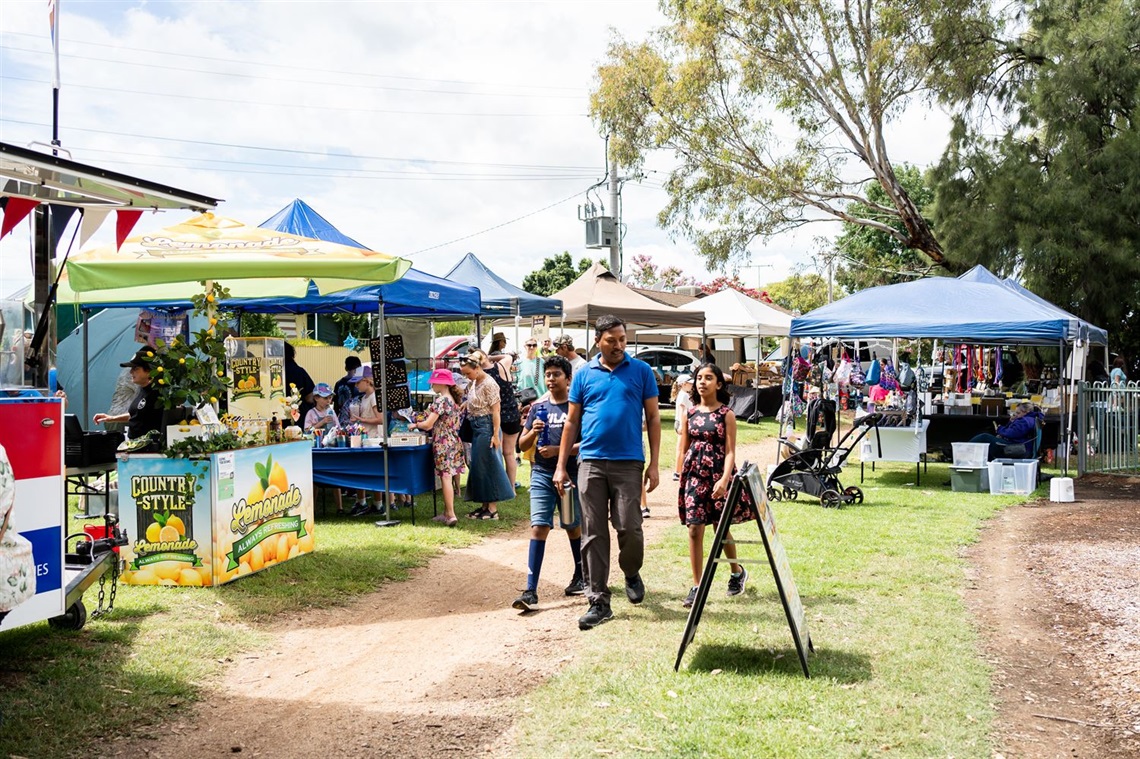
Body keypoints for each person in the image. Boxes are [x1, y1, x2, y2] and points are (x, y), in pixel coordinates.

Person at [555, 315, 661, 631]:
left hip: (629, 461)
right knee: (593, 532)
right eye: (611, 340)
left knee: (629, 525)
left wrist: (655, 463)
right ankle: (598, 601)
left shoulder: (641, 371)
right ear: (598, 340)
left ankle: (630, 570)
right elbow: (572, 422)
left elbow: (654, 418)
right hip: (590, 462)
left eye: (622, 339)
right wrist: (561, 465)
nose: (618, 345)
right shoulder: (584, 374)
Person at [677, 363, 756, 608]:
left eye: (708, 378)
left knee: (719, 529)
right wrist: (680, 475)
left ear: (718, 384)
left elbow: (731, 451)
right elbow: (683, 448)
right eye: (699, 378)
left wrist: (724, 479)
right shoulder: (689, 414)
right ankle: (697, 586)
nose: (702, 382)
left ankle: (736, 572)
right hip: (694, 476)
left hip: (718, 475)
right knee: (694, 528)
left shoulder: (726, 415)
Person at [512, 355, 585, 611]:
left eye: (556, 374)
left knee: (571, 525)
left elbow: (586, 444)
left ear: (568, 378)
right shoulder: (538, 408)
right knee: (538, 527)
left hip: (569, 476)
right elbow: (521, 445)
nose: (551, 379)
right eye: (548, 375)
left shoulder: (576, 408)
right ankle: (531, 590)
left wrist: (558, 452)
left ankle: (580, 575)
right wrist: (533, 431)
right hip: (542, 474)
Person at [458, 352, 515, 519]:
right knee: (479, 466)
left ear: (477, 368)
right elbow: (475, 399)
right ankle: (484, 505)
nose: (467, 376)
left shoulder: (490, 383)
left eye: (468, 373)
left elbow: (496, 410)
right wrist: (465, 404)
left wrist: (495, 435)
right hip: (476, 426)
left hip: (487, 427)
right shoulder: (474, 382)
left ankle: (492, 508)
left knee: (489, 464)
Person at [410, 368, 466, 527]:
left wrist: (415, 424)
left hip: (442, 442)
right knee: (448, 476)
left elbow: (428, 424)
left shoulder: (441, 401)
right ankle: (447, 512)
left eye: (434, 382)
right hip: (454, 441)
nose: (432, 385)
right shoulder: (453, 401)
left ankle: (450, 514)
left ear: (441, 383)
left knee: (445, 477)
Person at [93, 349, 163, 441]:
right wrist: (111, 418)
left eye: (135, 368)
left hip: (148, 449)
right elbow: (136, 415)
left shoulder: (158, 393)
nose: (130, 372)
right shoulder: (142, 389)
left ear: (149, 371)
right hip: (134, 445)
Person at [478, 349, 523, 489]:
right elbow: (508, 355)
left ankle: (498, 486)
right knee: (509, 453)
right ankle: (511, 487)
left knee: (496, 454)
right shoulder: (502, 366)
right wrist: (490, 357)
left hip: (495, 417)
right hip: (513, 415)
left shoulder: (481, 376)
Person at [347, 366, 384, 515]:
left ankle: (378, 504)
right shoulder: (364, 398)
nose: (356, 386)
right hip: (365, 438)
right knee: (361, 470)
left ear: (367, 381)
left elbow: (380, 419)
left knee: (374, 472)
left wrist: (361, 419)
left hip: (374, 440)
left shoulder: (374, 397)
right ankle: (361, 501)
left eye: (358, 383)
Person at [968, 401, 1045, 461]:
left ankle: (964, 450)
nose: (1016, 415)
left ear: (1026, 412)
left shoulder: (1025, 421)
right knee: (987, 439)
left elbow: (1012, 433)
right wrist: (1011, 422)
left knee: (984, 437)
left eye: (1018, 413)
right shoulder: (1029, 419)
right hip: (1018, 444)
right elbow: (1013, 431)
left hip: (1016, 446)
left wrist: (1000, 429)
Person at [284, 342, 316, 428]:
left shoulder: (273, 373)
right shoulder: (299, 371)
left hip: (278, 419)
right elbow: (310, 397)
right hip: (299, 418)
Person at [671, 373, 694, 481]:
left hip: (683, 423)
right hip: (682, 423)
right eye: (690, 384)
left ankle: (681, 470)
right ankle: (677, 471)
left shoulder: (685, 394)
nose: (691, 385)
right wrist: (681, 425)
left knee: (683, 447)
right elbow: (682, 410)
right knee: (681, 449)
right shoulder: (683, 395)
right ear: (684, 384)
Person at [334, 355, 363, 424]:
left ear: (346, 368)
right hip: (357, 418)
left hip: (343, 418)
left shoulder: (338, 383)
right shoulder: (360, 383)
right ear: (359, 368)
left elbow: (336, 405)